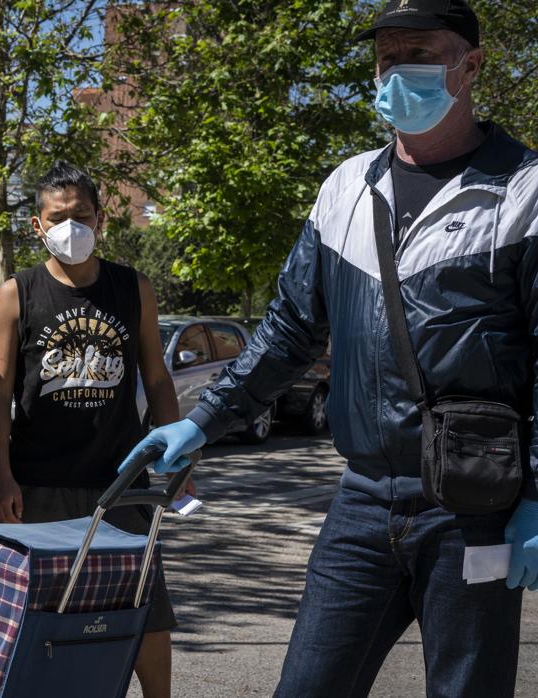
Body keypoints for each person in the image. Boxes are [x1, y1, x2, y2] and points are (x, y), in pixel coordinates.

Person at [122, 2, 538, 695]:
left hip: (476, 508)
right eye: (384, 60)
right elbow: (288, 331)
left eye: (418, 57)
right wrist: (201, 423)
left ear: (471, 66)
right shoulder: (346, 188)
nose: (395, 75)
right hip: (363, 502)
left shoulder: (524, 192)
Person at [0, 161, 182, 698]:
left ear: (99, 219)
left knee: (143, 610)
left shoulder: (132, 287)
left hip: (122, 480)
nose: (72, 226)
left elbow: (158, 379)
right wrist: (2, 477)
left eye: (82, 215)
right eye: (58, 216)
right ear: (37, 225)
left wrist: (179, 454)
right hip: (38, 484)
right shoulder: (16, 294)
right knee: (42, 616)